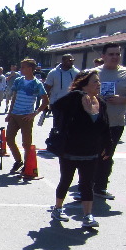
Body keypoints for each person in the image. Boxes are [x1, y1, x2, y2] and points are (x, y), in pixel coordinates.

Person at [50, 70, 113, 228]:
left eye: (99, 81)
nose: (99, 84)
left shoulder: (101, 103)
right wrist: (76, 94)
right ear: (84, 85)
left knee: (87, 183)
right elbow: (56, 106)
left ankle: (87, 215)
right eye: (95, 81)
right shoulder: (74, 100)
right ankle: (58, 208)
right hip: (69, 150)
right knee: (66, 180)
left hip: (91, 150)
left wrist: (108, 145)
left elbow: (105, 127)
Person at [87, 43, 126, 200]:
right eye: (111, 54)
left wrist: (122, 99)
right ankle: (86, 187)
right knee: (90, 155)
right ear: (103, 56)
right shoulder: (92, 73)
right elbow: (79, 92)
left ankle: (100, 187)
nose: (115, 57)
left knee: (106, 156)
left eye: (117, 54)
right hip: (93, 122)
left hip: (115, 123)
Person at [6, 58, 49, 173]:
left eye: (23, 67)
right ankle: (18, 160)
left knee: (26, 143)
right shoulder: (18, 81)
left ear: (30, 69)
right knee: (9, 138)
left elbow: (46, 101)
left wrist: (34, 113)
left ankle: (27, 165)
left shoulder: (37, 84)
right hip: (14, 114)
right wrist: (10, 113)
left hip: (26, 116)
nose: (21, 69)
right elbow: (14, 97)